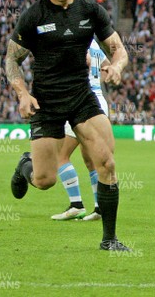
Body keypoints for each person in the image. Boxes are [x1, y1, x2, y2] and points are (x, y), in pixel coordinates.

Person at [6, 0, 129, 251]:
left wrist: (117, 66)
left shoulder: (90, 11)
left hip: (82, 98)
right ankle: (26, 166)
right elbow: (12, 58)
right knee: (45, 179)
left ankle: (109, 240)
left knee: (107, 164)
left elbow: (118, 49)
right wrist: (23, 93)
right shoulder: (34, 16)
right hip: (46, 101)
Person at [50, 40, 109, 221]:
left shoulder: (76, 39)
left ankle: (76, 205)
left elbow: (83, 61)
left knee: (60, 155)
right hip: (100, 100)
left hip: (82, 101)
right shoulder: (96, 44)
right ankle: (99, 208)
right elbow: (107, 66)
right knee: (91, 160)